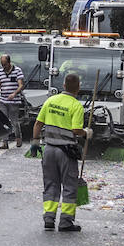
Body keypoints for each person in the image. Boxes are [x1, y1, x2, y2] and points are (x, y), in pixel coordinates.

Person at [32, 72, 88, 232]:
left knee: (50, 185)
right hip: (66, 152)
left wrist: (35, 142)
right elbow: (76, 130)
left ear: (63, 85)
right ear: (78, 88)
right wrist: (86, 133)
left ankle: (49, 219)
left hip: (48, 150)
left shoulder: (51, 100)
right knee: (70, 187)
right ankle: (65, 222)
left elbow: (37, 123)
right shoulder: (76, 105)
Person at [0, 53, 26, 150]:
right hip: (3, 100)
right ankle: (5, 142)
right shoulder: (0, 72)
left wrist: (14, 94)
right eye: (2, 64)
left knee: (14, 121)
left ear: (9, 62)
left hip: (14, 101)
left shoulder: (17, 70)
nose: (3, 66)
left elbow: (21, 85)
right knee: (3, 121)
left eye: (5, 64)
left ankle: (18, 137)